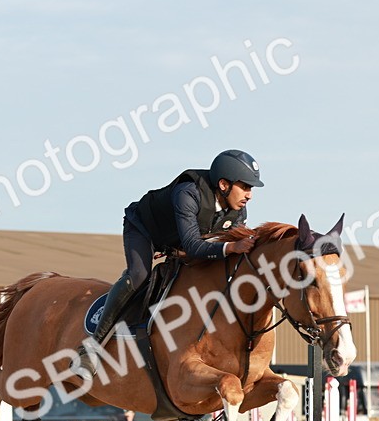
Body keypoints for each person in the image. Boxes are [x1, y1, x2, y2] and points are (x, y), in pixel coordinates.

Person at [73, 150, 264, 381]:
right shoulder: (188, 193)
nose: (249, 195)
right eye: (245, 187)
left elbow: (207, 247)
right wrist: (230, 248)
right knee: (139, 276)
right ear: (224, 184)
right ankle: (92, 348)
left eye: (250, 189)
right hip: (145, 229)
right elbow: (196, 246)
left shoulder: (238, 210)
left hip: (181, 241)